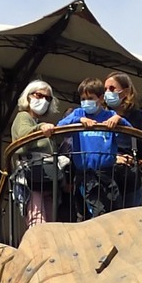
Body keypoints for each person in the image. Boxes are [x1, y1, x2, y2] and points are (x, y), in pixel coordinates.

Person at [55, 81, 125, 218]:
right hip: (84, 175)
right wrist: (79, 119)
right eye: (83, 99)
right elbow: (60, 126)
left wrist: (118, 119)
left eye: (90, 98)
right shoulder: (78, 113)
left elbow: (130, 131)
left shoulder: (110, 115)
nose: (86, 102)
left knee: (109, 211)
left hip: (106, 174)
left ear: (100, 98)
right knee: (89, 212)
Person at [8, 80, 68, 228]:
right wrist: (40, 128)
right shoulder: (23, 117)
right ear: (28, 97)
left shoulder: (35, 122)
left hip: (46, 177)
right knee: (38, 220)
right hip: (32, 176)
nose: (44, 101)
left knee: (49, 222)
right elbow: (23, 135)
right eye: (39, 95)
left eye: (48, 98)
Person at [102, 71, 142, 206]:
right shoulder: (100, 115)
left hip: (130, 177)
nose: (107, 93)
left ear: (126, 92)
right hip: (104, 175)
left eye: (112, 88)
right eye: (105, 89)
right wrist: (114, 157)